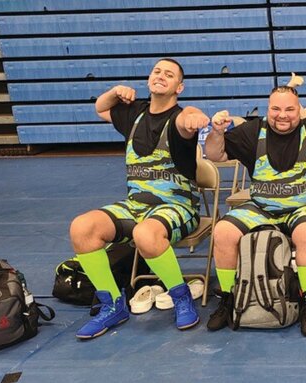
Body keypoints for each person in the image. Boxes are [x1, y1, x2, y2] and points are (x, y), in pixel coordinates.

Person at [69, 58, 211, 339]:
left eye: (169, 74)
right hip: (135, 207)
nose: (161, 75)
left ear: (178, 87)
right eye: (156, 71)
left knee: (145, 234)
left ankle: (180, 296)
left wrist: (196, 116)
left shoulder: (180, 118)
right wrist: (115, 91)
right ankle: (112, 305)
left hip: (177, 208)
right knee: (82, 227)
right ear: (149, 80)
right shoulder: (133, 114)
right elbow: (101, 108)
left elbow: (188, 117)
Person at [202, 86, 306, 336]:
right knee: (223, 232)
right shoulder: (252, 132)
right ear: (267, 109)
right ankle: (229, 297)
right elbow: (215, 154)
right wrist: (217, 132)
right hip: (262, 206)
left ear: (299, 110)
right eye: (276, 109)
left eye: (289, 109)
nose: (282, 115)